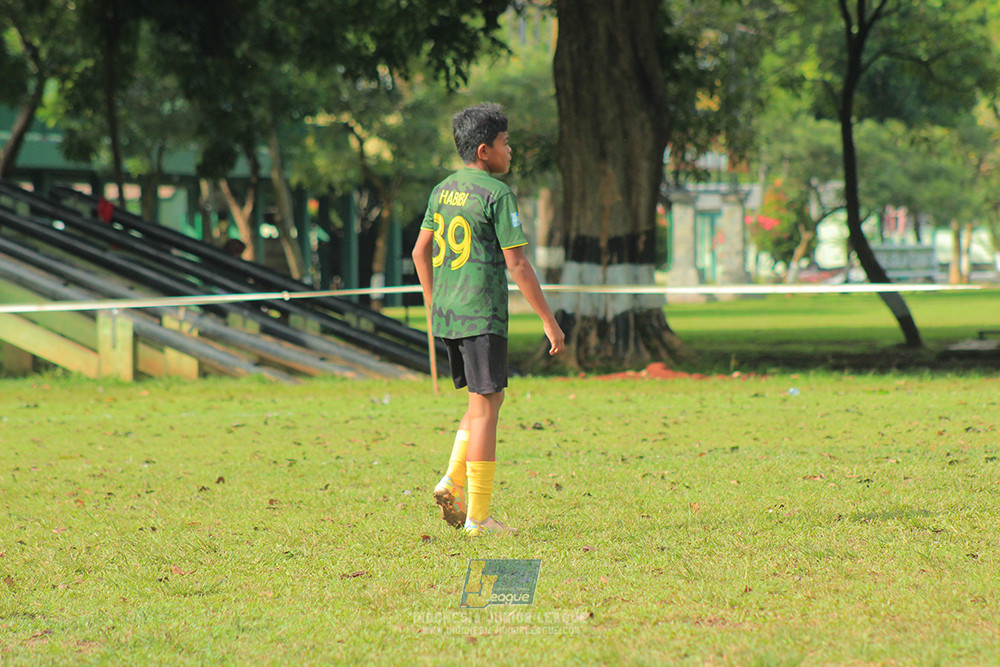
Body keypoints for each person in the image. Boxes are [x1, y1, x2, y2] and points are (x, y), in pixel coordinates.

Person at [411, 103, 564, 537]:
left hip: (450, 314)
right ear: (484, 150)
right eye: (504, 142)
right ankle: (478, 517)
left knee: (483, 403)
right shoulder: (497, 195)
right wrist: (549, 322)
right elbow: (517, 265)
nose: (510, 149)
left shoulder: (442, 190)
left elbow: (420, 252)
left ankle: (451, 480)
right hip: (482, 314)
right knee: (488, 410)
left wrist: (432, 301)